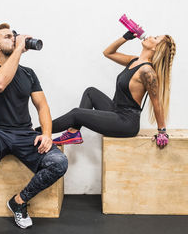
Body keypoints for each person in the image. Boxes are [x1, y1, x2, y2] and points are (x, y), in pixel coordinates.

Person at [0, 23, 68, 234]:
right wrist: (18, 50)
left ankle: (18, 202)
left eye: (14, 36)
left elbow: (42, 106)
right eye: (8, 37)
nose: (14, 39)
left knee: (59, 162)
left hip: (24, 134)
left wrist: (46, 134)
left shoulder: (28, 74)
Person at [36, 31, 176, 148]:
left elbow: (156, 102)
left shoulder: (147, 72)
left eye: (156, 38)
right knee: (90, 92)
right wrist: (125, 38)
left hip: (126, 122)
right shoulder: (135, 60)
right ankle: (74, 132)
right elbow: (108, 52)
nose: (151, 36)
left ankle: (36, 132)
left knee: (76, 113)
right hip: (116, 110)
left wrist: (162, 131)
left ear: (156, 49)